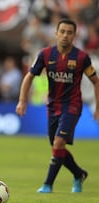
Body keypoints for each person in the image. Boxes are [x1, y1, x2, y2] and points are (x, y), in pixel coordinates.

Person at [16, 18, 99, 193]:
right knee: (57, 146)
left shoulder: (82, 57)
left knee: (59, 142)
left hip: (73, 106)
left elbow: (96, 81)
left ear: (74, 36)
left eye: (69, 33)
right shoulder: (45, 54)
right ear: (56, 33)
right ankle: (78, 174)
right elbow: (29, 77)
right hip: (53, 106)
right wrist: (22, 101)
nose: (65, 36)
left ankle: (47, 184)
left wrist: (98, 107)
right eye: (62, 32)